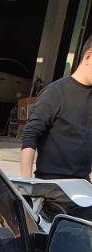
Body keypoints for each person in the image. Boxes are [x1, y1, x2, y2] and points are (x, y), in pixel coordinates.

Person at [20, 34, 92, 180]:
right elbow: (30, 135)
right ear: (88, 57)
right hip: (52, 185)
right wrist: (26, 184)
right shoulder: (55, 92)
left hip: (82, 185)